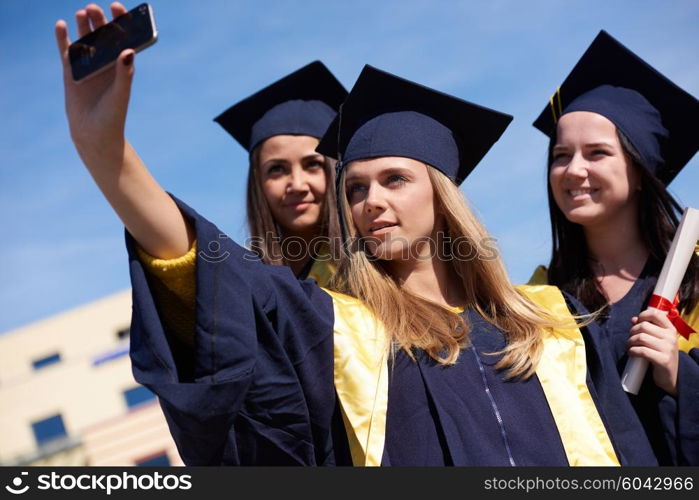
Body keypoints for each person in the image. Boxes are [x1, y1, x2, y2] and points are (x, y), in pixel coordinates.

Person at [56, 5, 655, 465]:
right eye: (356, 189)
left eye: (395, 179)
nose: (372, 201)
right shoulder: (342, 331)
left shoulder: (554, 322)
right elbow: (215, 273)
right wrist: (107, 154)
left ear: (443, 199)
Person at [529, 30, 699, 465]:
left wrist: (681, 375)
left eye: (597, 153)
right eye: (561, 155)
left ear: (640, 170)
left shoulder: (694, 282)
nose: (573, 170)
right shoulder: (540, 294)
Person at [213, 61, 346, 282]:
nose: (297, 185)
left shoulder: (371, 268)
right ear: (257, 182)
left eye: (313, 164)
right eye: (277, 169)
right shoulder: (241, 279)